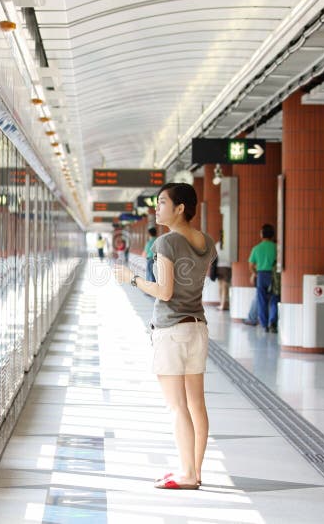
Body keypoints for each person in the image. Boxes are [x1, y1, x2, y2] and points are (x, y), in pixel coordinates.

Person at [114, 182, 212, 490]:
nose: (157, 208)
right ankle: (193, 471)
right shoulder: (206, 241)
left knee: (177, 407)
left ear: (180, 208)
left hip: (171, 330)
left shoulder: (166, 243)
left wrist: (133, 279)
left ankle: (186, 475)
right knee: (197, 404)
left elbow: (165, 291)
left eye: (162, 203)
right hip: (197, 326)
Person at [249, 224, 279, 333]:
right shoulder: (276, 247)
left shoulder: (256, 248)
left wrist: (255, 274)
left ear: (262, 234)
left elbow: (251, 265)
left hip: (261, 275)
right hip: (274, 276)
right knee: (275, 298)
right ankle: (273, 322)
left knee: (262, 300)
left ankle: (264, 324)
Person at [215, 239, 231, 311]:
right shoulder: (229, 244)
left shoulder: (217, 244)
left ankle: (221, 303)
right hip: (227, 267)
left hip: (218, 267)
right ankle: (223, 305)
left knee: (220, 286)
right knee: (225, 287)